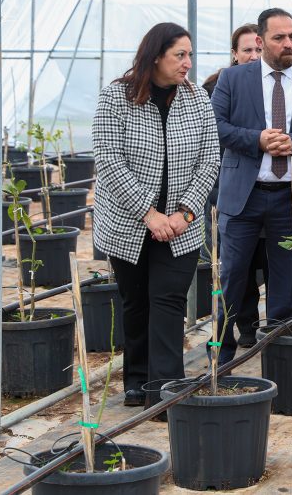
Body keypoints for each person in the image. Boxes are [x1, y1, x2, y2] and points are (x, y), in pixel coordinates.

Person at [93, 22, 220, 409]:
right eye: (180, 55)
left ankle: (164, 388)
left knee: (168, 300)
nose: (188, 63)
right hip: (129, 223)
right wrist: (149, 214)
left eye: (190, 55)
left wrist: (184, 212)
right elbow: (109, 159)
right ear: (156, 56)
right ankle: (136, 380)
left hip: (180, 225)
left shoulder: (196, 99)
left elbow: (209, 158)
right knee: (136, 302)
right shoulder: (117, 97)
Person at [211, 8, 292, 363]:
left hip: (289, 197)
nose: (288, 44)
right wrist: (258, 140)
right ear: (260, 40)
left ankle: (279, 350)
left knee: (285, 276)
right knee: (233, 275)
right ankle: (222, 352)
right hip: (244, 196)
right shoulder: (233, 80)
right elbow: (215, 126)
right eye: (279, 38)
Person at [202, 23, 267, 348]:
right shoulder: (218, 85)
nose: (254, 56)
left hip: (268, 190)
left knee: (263, 260)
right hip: (226, 187)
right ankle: (242, 325)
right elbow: (212, 135)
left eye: (258, 50)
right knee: (235, 267)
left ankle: (256, 324)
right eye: (247, 51)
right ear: (234, 54)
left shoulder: (276, 85)